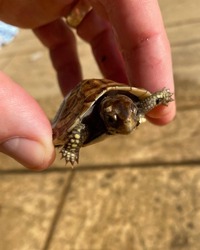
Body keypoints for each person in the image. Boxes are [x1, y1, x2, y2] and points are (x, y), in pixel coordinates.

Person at [0, 0, 175, 170]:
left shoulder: (133, 109)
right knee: (78, 130)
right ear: (105, 114)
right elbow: (76, 130)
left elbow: (147, 102)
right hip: (83, 110)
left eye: (134, 113)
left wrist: (159, 97)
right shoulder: (86, 124)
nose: (128, 123)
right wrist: (71, 147)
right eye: (114, 119)